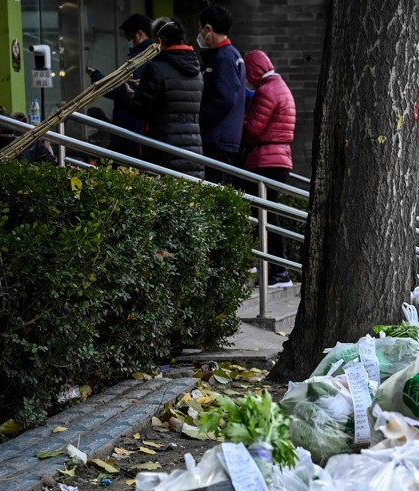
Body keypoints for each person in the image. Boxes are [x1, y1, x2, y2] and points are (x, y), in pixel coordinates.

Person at [242, 50, 297, 288]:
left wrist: (238, 122)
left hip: (266, 159)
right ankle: (275, 269)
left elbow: (253, 129)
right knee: (267, 214)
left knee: (263, 215)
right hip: (280, 159)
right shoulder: (281, 86)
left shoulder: (266, 91)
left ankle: (277, 271)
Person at [127, 17, 204, 179]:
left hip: (163, 150)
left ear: (159, 41)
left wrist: (130, 93)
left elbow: (140, 108)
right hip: (193, 152)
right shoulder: (197, 71)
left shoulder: (156, 69)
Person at [86, 13, 153, 159]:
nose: (129, 43)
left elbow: (124, 90)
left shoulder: (143, 62)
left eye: (130, 38)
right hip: (131, 133)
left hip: (131, 134)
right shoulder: (142, 59)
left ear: (140, 34)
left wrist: (99, 80)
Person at [196, 4, 246, 184]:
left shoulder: (223, 58)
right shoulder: (231, 55)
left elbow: (224, 99)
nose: (200, 34)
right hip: (224, 138)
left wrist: (198, 120)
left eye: (201, 29)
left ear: (208, 29)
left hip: (217, 139)